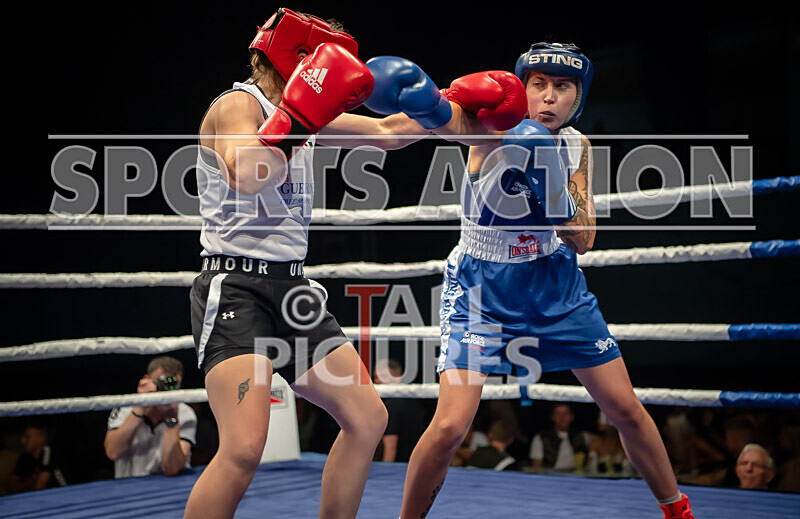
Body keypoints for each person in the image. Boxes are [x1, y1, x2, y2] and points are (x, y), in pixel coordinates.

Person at [184, 8, 527, 518]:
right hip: (235, 286)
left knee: (367, 417)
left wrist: (445, 102)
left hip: (292, 291)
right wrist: (299, 117)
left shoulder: (302, 110)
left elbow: (387, 133)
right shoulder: (239, 104)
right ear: (301, 59)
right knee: (242, 447)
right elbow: (244, 172)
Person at [381, 43, 697, 519]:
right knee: (448, 428)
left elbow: (585, 238)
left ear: (578, 98)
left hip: (556, 285)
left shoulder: (577, 146)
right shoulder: (485, 129)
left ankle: (678, 511)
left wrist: (548, 187)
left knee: (626, 410)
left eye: (562, 87)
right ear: (522, 90)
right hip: (480, 289)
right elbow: (404, 129)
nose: (549, 97)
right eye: (539, 85)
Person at [104, 356, 197, 478]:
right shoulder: (125, 407)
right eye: (163, 381)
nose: (168, 388)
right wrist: (140, 406)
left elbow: (172, 469)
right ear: (146, 380)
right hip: (128, 487)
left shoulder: (185, 413)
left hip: (169, 487)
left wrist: (171, 420)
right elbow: (113, 452)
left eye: (173, 383)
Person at [373, 359, 426, 463]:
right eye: (376, 377)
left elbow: (390, 445)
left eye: (383, 376)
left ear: (397, 378)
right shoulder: (415, 402)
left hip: (397, 467)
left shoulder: (390, 406)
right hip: (415, 464)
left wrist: (385, 471)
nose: (378, 381)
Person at [7, 423, 67, 493]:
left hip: (61, 496)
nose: (22, 440)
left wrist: (27, 484)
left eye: (27, 437)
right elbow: (11, 486)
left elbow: (39, 487)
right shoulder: (25, 457)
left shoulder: (48, 451)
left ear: (41, 439)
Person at [529, 403, 588, 473]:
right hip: (551, 476)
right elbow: (536, 467)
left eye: (566, 414)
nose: (562, 418)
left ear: (572, 417)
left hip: (576, 477)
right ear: (552, 417)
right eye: (558, 414)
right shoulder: (541, 438)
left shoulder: (581, 436)